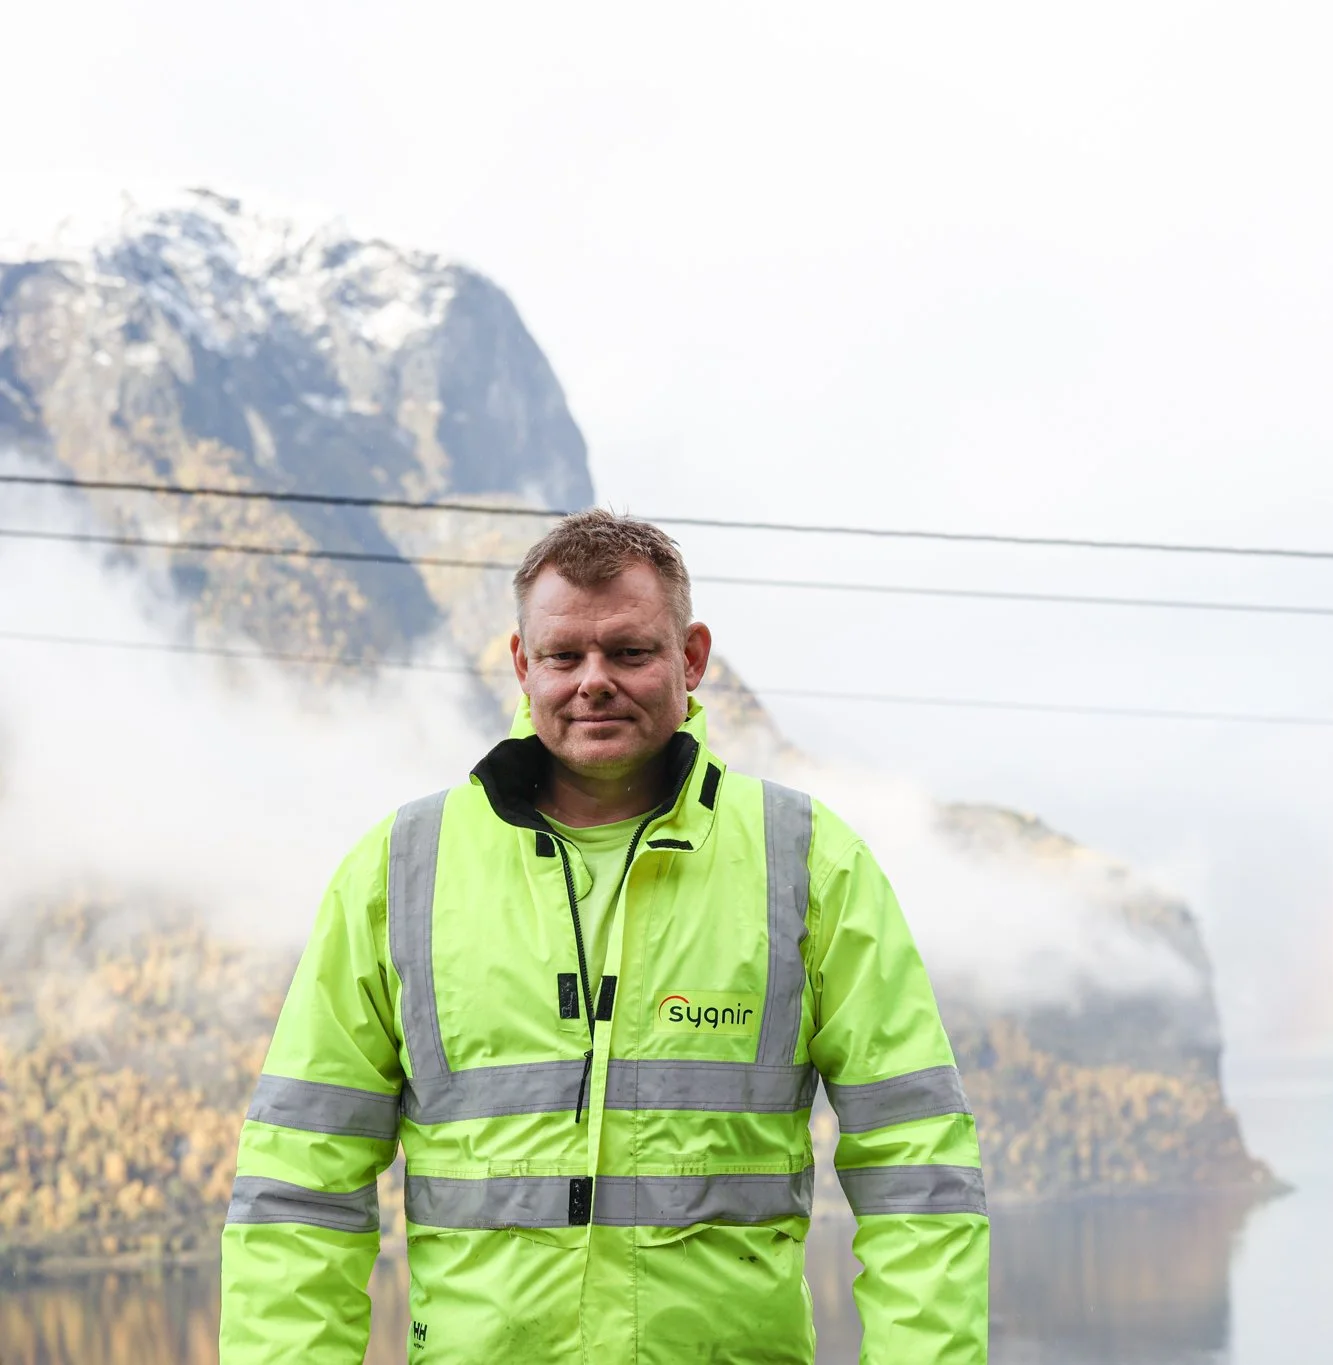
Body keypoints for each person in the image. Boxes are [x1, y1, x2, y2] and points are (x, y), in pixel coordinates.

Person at [219, 510, 989, 1362]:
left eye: (629, 651)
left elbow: (919, 1170)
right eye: (563, 655)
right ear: (522, 665)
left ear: (692, 658)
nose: (594, 680)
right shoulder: (399, 871)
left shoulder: (808, 863)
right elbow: (298, 1190)